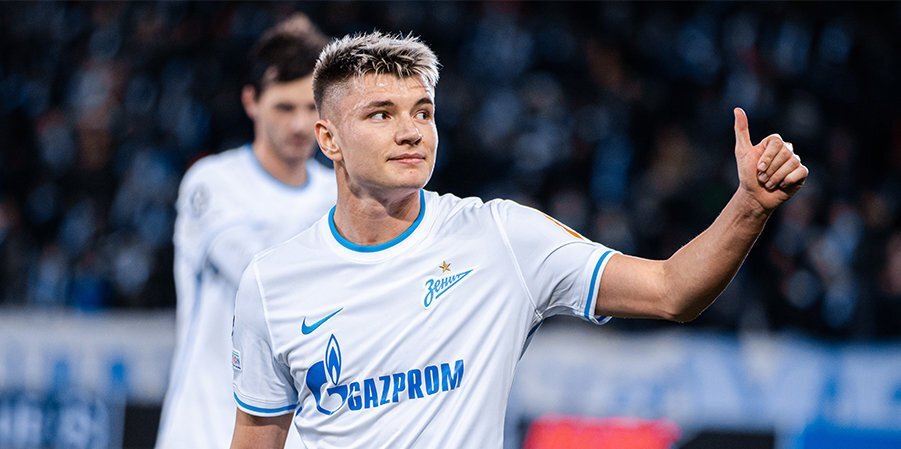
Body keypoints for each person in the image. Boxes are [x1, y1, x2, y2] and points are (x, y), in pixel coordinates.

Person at [229, 32, 808, 448]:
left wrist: (750, 206)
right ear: (328, 139)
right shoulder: (273, 283)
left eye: (423, 112)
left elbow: (672, 290)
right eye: (381, 114)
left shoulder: (501, 238)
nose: (410, 132)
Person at [156, 14, 335, 449]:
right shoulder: (212, 181)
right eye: (284, 108)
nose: (300, 125)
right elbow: (258, 275)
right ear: (251, 101)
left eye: (311, 108)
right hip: (202, 431)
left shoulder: (337, 193)